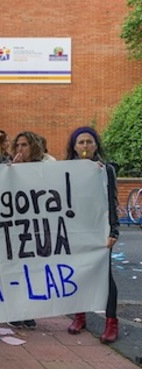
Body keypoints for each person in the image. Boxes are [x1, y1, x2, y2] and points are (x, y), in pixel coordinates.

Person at [65, 126, 120, 343]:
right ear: (74, 147)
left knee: (104, 276)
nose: (85, 146)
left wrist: (114, 230)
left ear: (96, 145)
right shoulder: (66, 169)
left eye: (89, 142)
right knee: (78, 272)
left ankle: (111, 322)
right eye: (81, 142)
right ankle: (80, 315)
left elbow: (112, 201)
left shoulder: (105, 170)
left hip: (99, 229)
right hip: (76, 229)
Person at [7, 130, 45, 329]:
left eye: (25, 145)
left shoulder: (44, 167)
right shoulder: (10, 168)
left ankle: (29, 311)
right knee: (16, 270)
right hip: (16, 227)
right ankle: (15, 310)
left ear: (34, 147)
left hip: (36, 227)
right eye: (18, 145)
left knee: (33, 269)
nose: (21, 149)